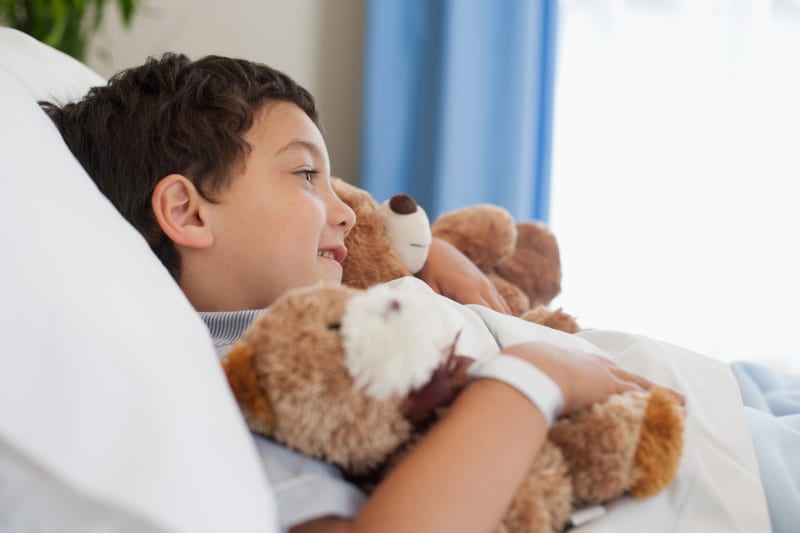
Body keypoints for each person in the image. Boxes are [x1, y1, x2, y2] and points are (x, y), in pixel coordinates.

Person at [41, 53, 668, 533]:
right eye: (307, 174)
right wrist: (534, 377)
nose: (346, 211)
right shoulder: (253, 385)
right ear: (189, 211)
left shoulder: (340, 307)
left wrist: (423, 259)